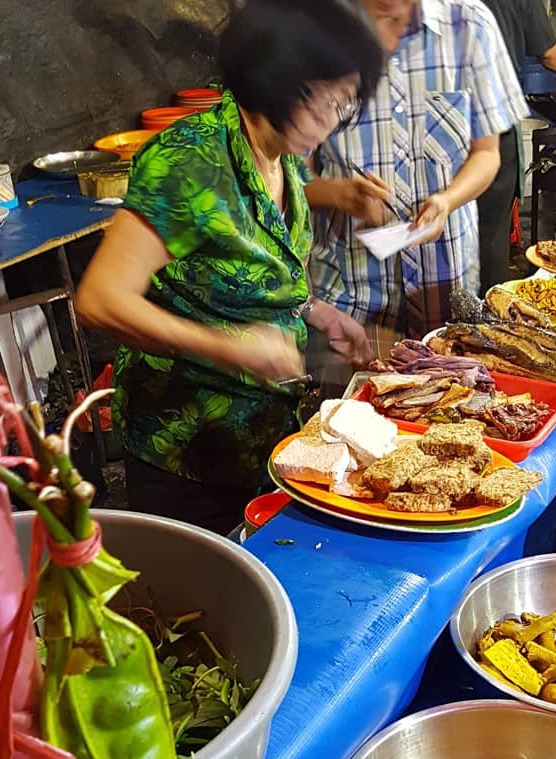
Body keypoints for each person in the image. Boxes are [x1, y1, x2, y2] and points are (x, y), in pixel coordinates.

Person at [76, 0, 384, 534]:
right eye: (321, 102)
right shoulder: (188, 159)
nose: (330, 124)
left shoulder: (281, 154)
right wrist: (227, 345)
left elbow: (253, 257)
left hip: (264, 437)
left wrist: (316, 311)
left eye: (342, 105)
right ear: (273, 80)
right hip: (187, 447)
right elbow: (100, 299)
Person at [306, 0, 529, 337]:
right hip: (349, 294)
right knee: (350, 390)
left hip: (445, 286)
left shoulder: (469, 25)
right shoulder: (316, 33)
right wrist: (340, 195)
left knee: (452, 385)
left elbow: (486, 155)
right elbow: (287, 174)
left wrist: (447, 201)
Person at [476, 0, 556, 291]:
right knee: (490, 231)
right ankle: (487, 311)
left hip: (437, 120)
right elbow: (549, 54)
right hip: (490, 120)